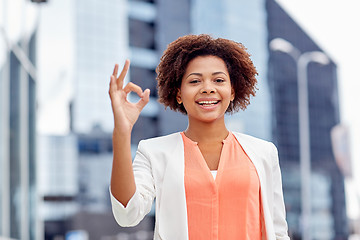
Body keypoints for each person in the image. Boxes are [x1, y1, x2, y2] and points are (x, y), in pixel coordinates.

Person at [108, 34, 290, 240]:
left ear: (232, 91)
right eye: (195, 81)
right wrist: (122, 132)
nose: (207, 88)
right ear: (178, 93)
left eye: (219, 80)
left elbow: (278, 231)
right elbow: (126, 214)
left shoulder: (264, 152)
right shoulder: (153, 152)